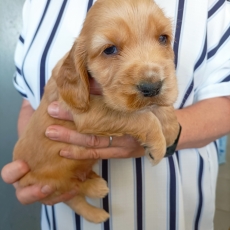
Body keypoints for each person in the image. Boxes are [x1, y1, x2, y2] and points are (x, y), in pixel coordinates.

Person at [1, 0, 230, 229]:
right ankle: (77, 189)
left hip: (173, 202)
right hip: (63, 213)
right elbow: (30, 104)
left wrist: (171, 130)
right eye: (110, 49)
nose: (151, 79)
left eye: (162, 39)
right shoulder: (37, 4)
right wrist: (39, 170)